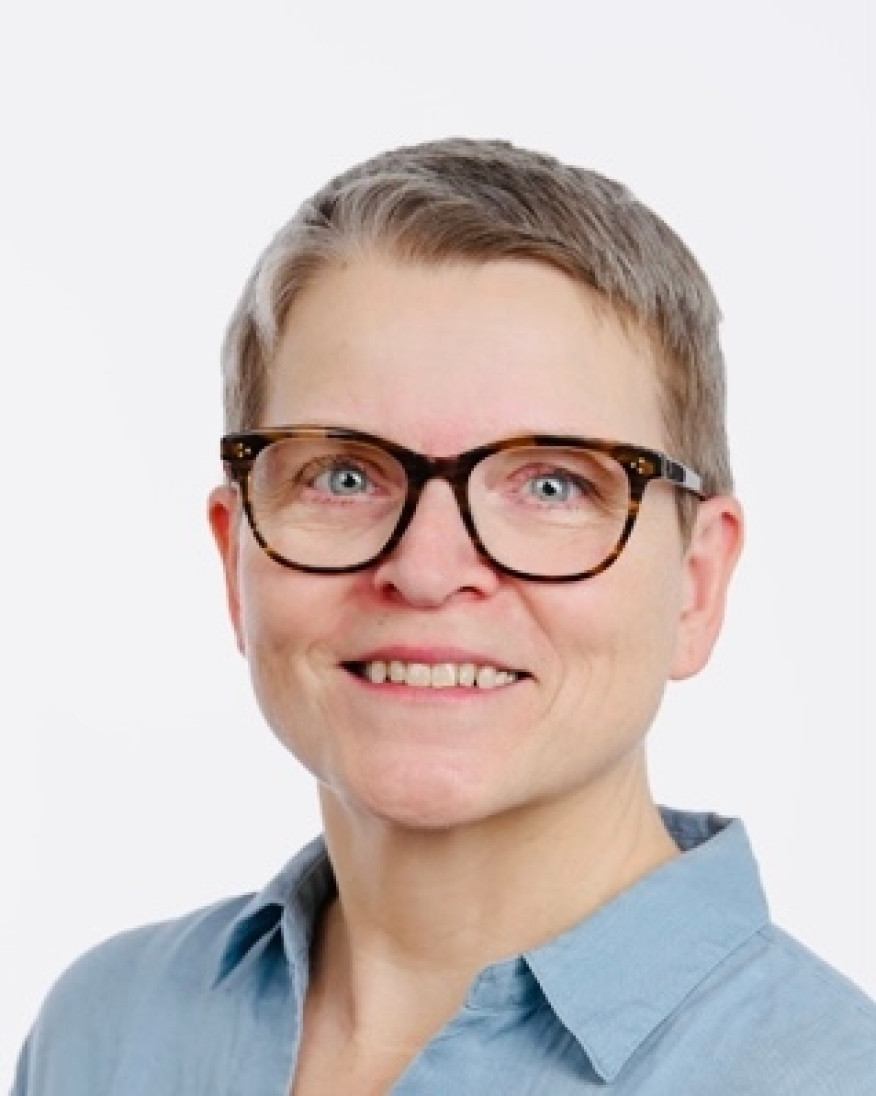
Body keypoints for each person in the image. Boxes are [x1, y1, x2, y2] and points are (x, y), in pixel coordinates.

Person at [12, 137, 875, 1095]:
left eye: (551, 484)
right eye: (344, 476)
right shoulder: (104, 1034)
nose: (426, 572)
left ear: (696, 584)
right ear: (236, 559)